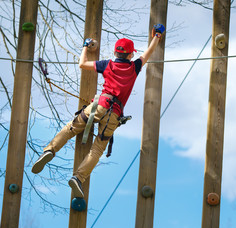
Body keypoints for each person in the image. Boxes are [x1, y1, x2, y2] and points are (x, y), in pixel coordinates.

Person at [32, 24, 165, 198]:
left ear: (116, 53)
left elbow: (82, 64)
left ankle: (50, 150)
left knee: (71, 128)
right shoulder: (134, 67)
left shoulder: (107, 65)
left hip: (99, 105)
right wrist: (157, 36)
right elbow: (148, 52)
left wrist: (85, 46)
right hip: (114, 114)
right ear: (131, 54)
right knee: (97, 149)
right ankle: (78, 178)